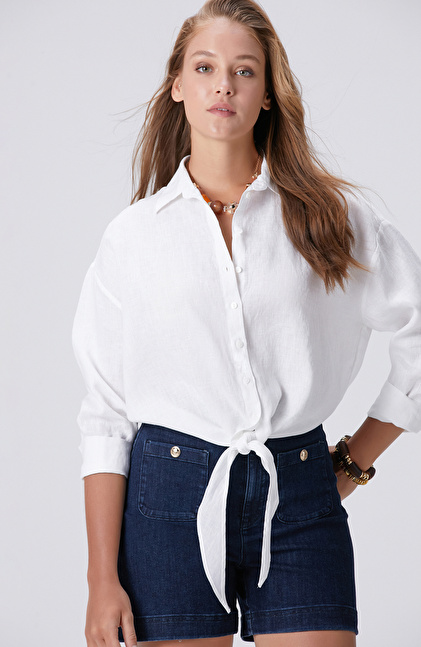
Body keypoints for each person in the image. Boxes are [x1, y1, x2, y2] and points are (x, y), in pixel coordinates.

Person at [72, 1, 421, 646]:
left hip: (300, 495)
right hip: (167, 502)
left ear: (267, 92)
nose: (224, 85)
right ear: (177, 85)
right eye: (205, 67)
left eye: (245, 70)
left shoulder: (330, 218)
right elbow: (106, 414)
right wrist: (101, 578)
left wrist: (355, 459)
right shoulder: (134, 238)